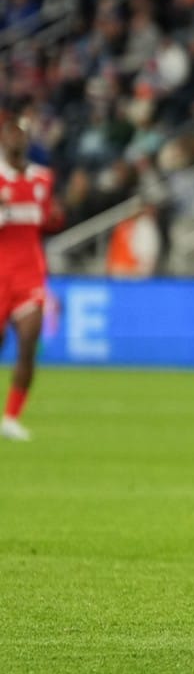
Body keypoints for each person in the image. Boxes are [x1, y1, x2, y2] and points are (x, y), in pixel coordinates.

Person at [0, 114, 64, 441]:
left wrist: (56, 218)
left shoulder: (43, 179)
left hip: (29, 274)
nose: (16, 138)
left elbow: (47, 222)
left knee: (29, 340)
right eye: (11, 133)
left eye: (21, 133)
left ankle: (11, 417)